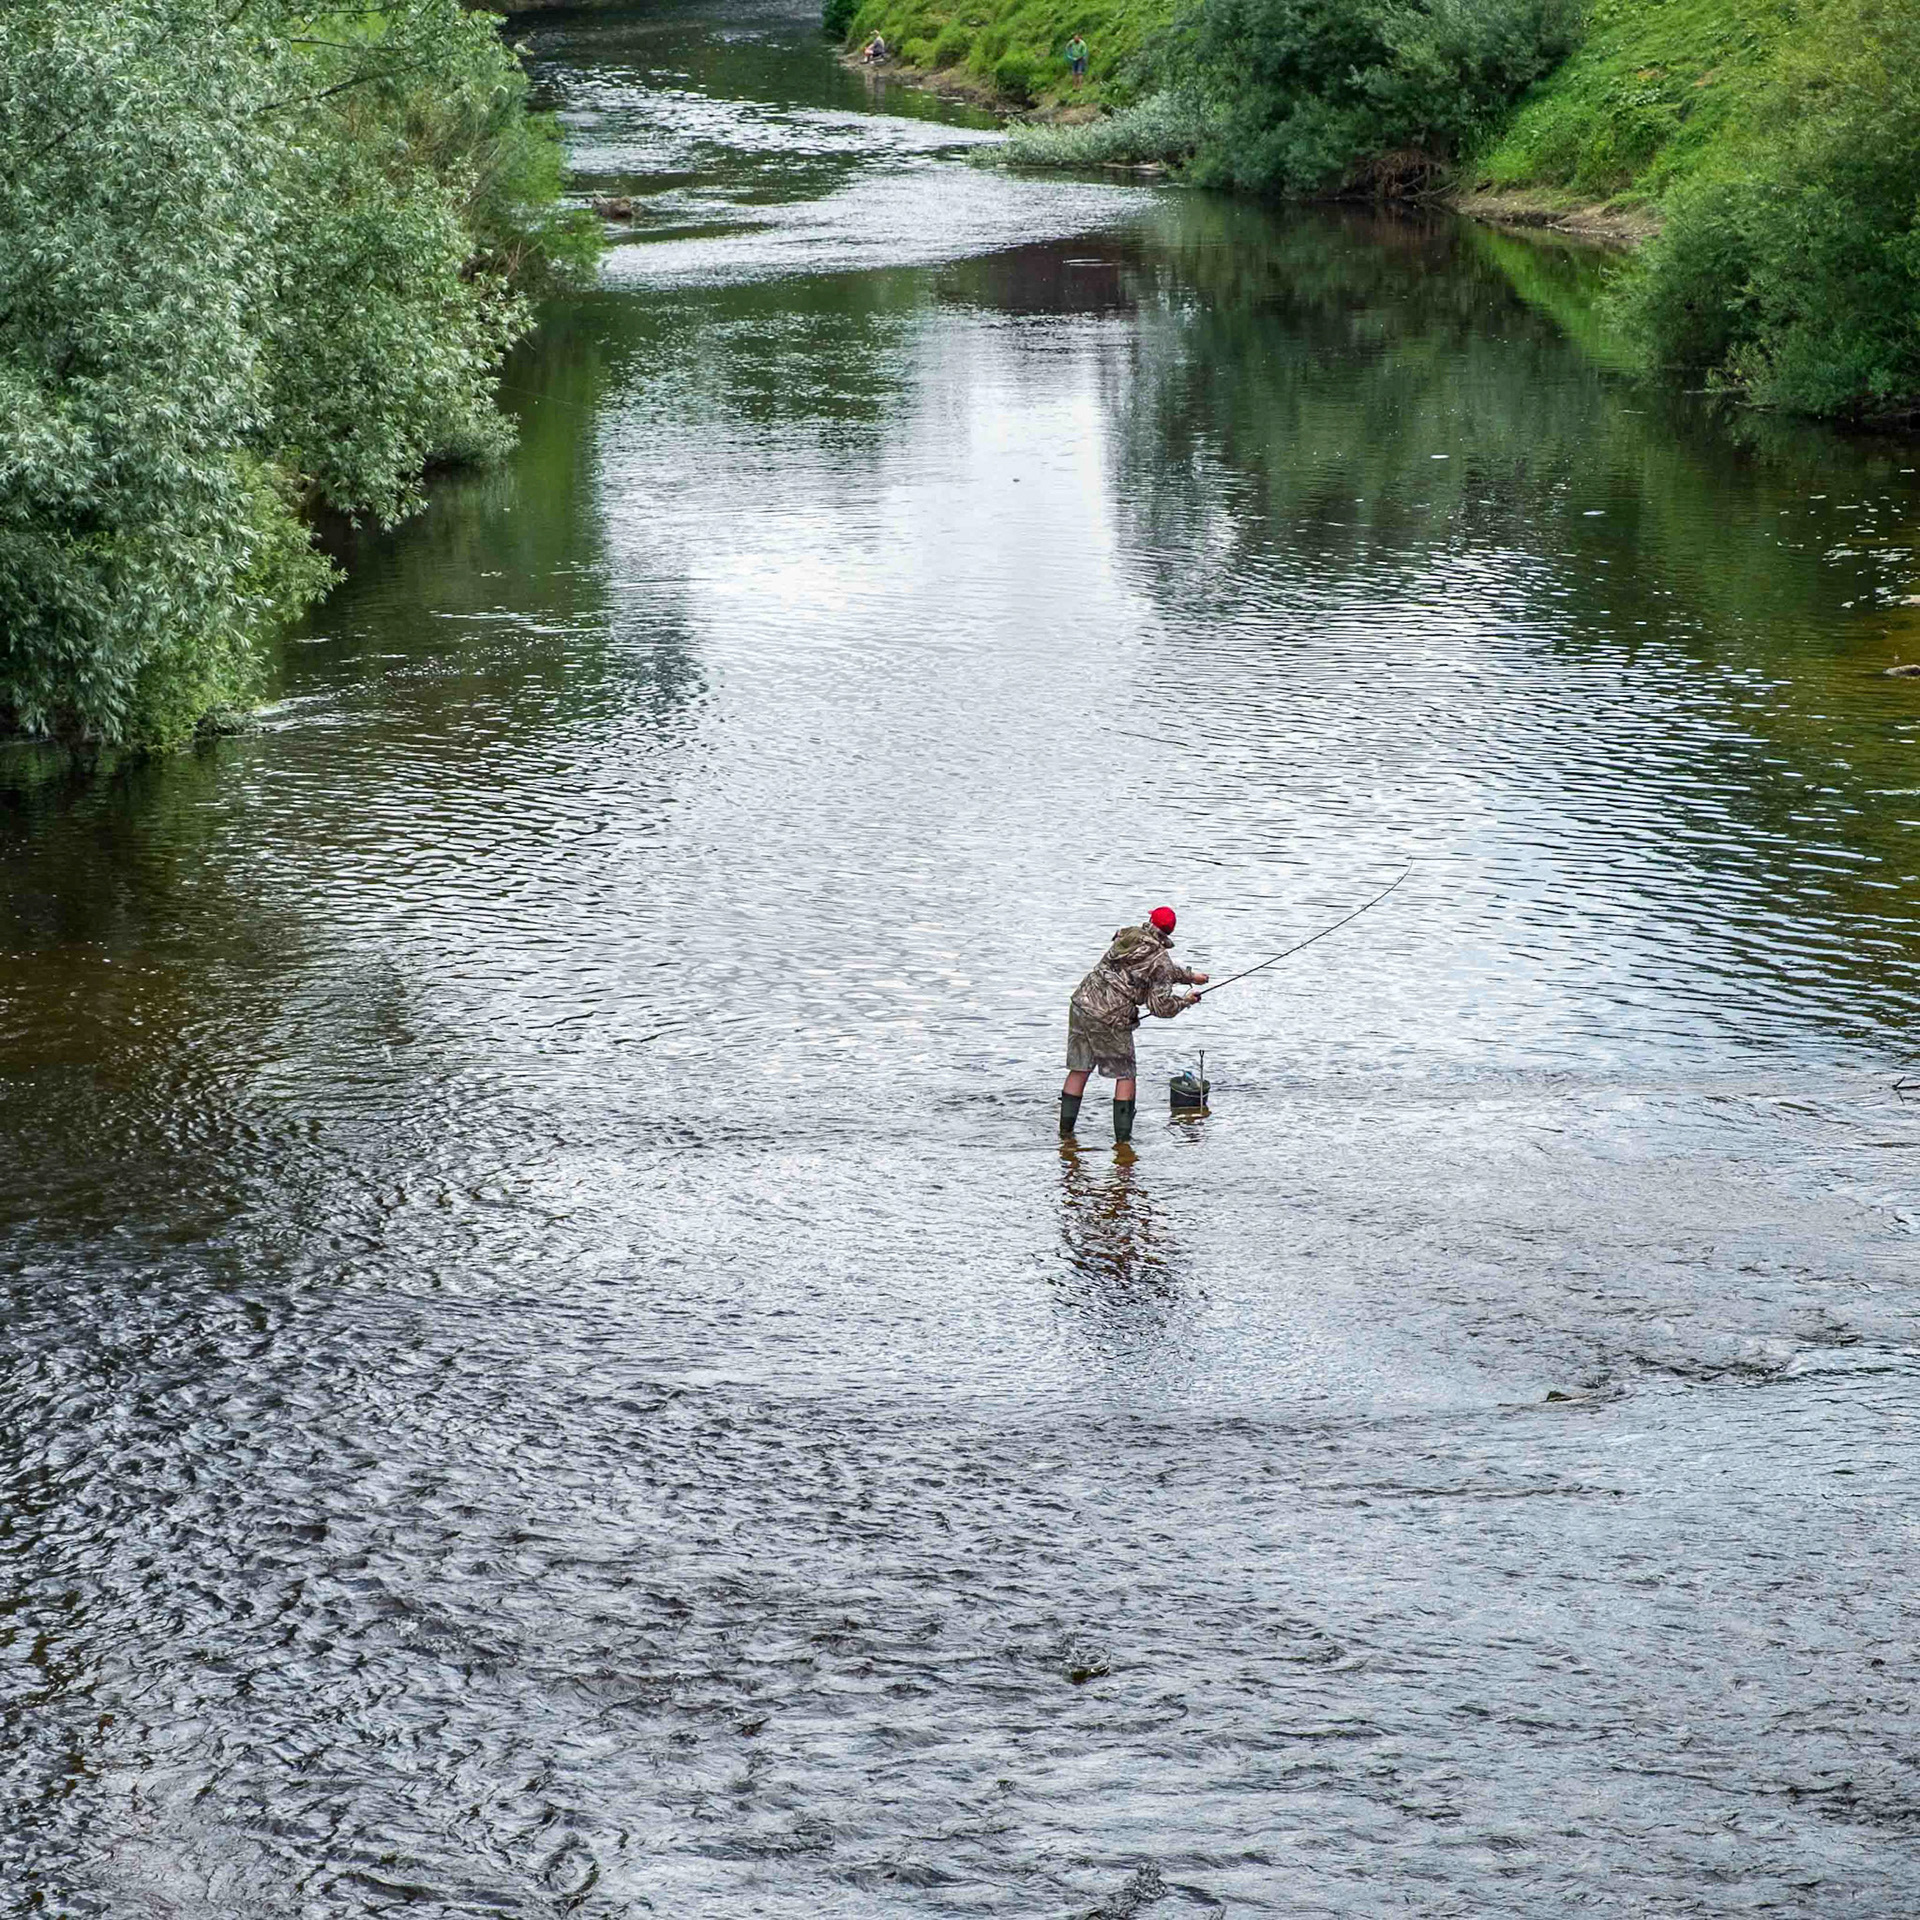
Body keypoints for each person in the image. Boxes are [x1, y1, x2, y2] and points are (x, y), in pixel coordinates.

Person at [1061, 905, 1206, 1144]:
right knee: (1126, 1075)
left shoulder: (1127, 935)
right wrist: (1186, 1001)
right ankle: (1123, 1144)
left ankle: (1065, 1135)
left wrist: (1189, 976)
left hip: (1082, 1004)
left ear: (1150, 920)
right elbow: (1161, 1007)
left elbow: (1148, 968)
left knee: (1079, 1068)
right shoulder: (1160, 959)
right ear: (1169, 932)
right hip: (1112, 1017)